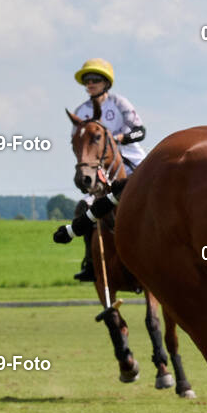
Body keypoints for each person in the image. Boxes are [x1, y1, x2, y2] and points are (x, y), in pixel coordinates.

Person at [71, 58, 147, 282]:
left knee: (154, 197)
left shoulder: (119, 103)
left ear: (106, 82)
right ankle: (90, 263)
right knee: (83, 210)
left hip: (129, 160)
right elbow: (79, 145)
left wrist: (120, 138)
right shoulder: (81, 111)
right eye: (87, 80)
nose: (90, 84)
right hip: (99, 170)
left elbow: (140, 131)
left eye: (94, 79)